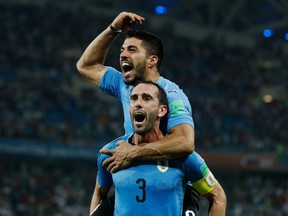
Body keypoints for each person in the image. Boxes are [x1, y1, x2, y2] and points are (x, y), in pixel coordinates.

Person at [76, 12, 225, 215]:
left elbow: (185, 142)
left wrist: (133, 152)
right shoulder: (124, 83)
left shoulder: (172, 96)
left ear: (151, 60)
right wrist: (113, 29)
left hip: (171, 179)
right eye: (122, 50)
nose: (122, 55)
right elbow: (86, 66)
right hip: (131, 171)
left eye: (132, 49)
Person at [91, 81, 226, 215]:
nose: (138, 103)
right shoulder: (111, 152)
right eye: (134, 98)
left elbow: (218, 197)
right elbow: (99, 193)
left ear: (161, 110)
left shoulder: (182, 156)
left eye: (146, 98)